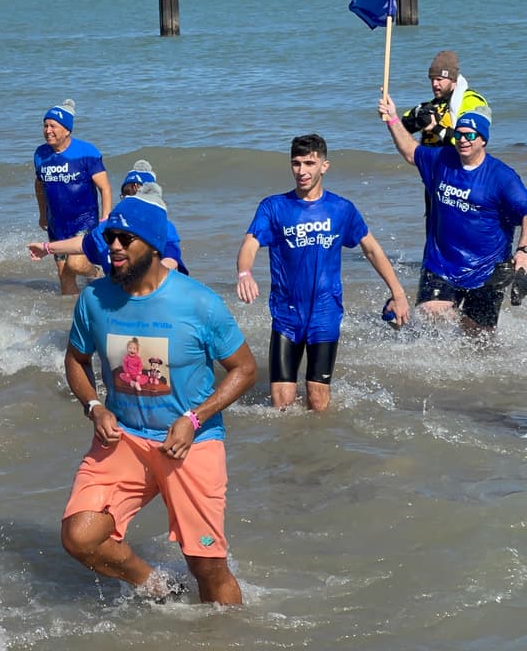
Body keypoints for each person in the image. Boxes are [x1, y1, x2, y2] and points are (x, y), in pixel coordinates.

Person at [61, 184, 256, 605]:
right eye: (110, 237)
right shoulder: (94, 300)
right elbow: (75, 360)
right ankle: (155, 584)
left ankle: (228, 636)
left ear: (152, 245)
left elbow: (245, 369)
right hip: (124, 437)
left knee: (206, 566)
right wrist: (94, 405)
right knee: (80, 537)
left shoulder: (198, 302)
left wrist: (195, 418)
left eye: (125, 239)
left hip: (189, 441)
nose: (114, 246)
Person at [235, 134, 411, 412]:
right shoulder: (273, 207)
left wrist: (398, 293)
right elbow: (250, 243)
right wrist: (244, 273)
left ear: (324, 166)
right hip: (286, 314)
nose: (302, 171)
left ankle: (320, 451)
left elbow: (372, 250)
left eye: (309, 163)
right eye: (296, 163)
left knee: (317, 402)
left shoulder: (342, 209)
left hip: (325, 314)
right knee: (280, 405)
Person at [378, 97, 527, 334]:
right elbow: (410, 151)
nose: (463, 141)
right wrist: (393, 119)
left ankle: (469, 323)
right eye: (458, 135)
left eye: (469, 136)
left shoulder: (502, 177)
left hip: (488, 270)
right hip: (441, 263)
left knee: (478, 343)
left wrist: (523, 252)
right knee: (430, 315)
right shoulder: (442, 159)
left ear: (483, 139)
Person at [28, 161, 186, 274]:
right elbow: (83, 244)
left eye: (138, 195)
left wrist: (149, 278)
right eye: (127, 194)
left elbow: (171, 259)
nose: (131, 200)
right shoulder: (109, 227)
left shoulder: (163, 227)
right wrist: (47, 248)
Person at [35, 99, 112, 295]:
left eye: (53, 126)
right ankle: (71, 315)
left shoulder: (87, 152)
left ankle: (96, 271)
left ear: (67, 130)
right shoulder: (40, 154)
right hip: (57, 224)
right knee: (64, 275)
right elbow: (39, 185)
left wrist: (105, 218)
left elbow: (104, 187)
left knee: (76, 264)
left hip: (85, 221)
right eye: (45, 125)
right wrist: (42, 214)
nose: (47, 130)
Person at [400, 51, 489, 148]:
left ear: (453, 79)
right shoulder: (432, 105)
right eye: (432, 79)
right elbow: (401, 128)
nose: (434, 84)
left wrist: (436, 127)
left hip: (456, 160)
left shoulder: (470, 101)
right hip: (429, 160)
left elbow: (468, 141)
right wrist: (417, 118)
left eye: (439, 79)